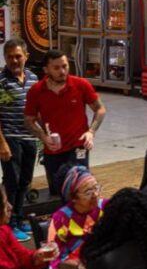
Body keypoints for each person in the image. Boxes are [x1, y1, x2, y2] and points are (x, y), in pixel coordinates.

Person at [23, 49, 106, 196]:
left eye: (65, 66)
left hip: (78, 147)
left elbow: (100, 109)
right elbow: (29, 120)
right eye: (56, 68)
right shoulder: (36, 91)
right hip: (53, 149)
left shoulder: (81, 85)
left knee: (81, 190)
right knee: (57, 192)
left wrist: (91, 132)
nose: (62, 71)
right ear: (46, 69)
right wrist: (43, 137)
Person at [0, 38, 38, 241]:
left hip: (29, 138)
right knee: (12, 181)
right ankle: (9, 222)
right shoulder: (1, 82)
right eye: (9, 57)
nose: (14, 61)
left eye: (18, 56)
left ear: (26, 56)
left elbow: (36, 111)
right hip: (10, 138)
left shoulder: (33, 78)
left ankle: (19, 217)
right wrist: (2, 143)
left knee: (24, 181)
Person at [48, 164, 105, 269]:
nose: (96, 194)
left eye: (96, 187)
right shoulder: (60, 219)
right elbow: (53, 258)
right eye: (88, 192)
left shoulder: (105, 207)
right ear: (73, 197)